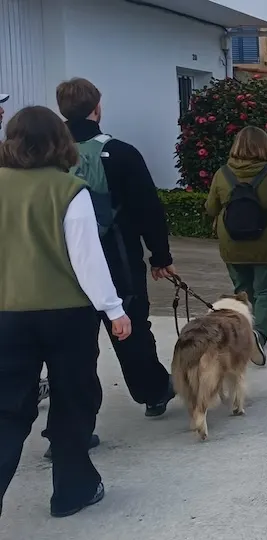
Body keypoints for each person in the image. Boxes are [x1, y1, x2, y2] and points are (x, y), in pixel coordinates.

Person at [0, 106, 133, 518]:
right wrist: (114, 310)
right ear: (60, 142)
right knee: (72, 400)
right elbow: (87, 260)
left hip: (7, 314)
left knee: (6, 409)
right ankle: (72, 490)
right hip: (68, 314)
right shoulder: (69, 190)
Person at [57, 78, 177, 418]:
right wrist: (160, 256)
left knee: (74, 346)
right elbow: (148, 209)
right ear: (97, 108)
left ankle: (71, 425)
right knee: (132, 329)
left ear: (61, 111)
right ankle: (153, 393)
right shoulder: (122, 153)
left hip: (64, 264)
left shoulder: (49, 157)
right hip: (117, 260)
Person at [204, 126, 267, 364]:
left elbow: (210, 208)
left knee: (243, 290)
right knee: (266, 291)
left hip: (232, 244)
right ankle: (258, 333)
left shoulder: (222, 174)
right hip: (265, 244)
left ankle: (245, 332)